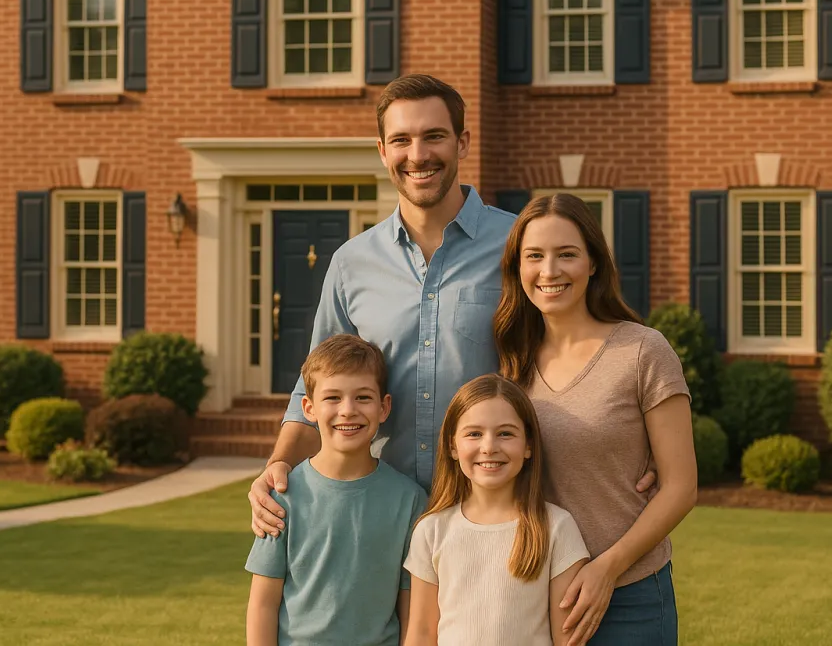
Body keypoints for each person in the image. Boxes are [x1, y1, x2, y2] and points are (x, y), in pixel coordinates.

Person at [247, 74, 658, 538]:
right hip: (387, 518)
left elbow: (585, 344)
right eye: (401, 140)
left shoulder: (520, 246)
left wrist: (640, 441)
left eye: (434, 137)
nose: (418, 155)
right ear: (382, 150)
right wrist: (277, 465)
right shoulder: (350, 264)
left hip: (501, 516)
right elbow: (315, 392)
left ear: (462, 143)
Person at [494, 193, 698, 646]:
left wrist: (607, 568)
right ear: (517, 268)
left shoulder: (643, 352)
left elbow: (681, 486)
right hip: (531, 591)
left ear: (593, 264)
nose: (550, 271)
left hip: (628, 593)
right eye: (535, 256)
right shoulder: (510, 363)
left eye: (567, 254)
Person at [245, 334, 427, 646]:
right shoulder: (283, 495)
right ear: (308, 408)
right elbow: (263, 604)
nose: (348, 410)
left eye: (363, 398)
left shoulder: (410, 500)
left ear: (384, 408)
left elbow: (410, 609)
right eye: (332, 398)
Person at [403, 374, 590, 646]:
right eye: (474, 434)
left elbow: (568, 640)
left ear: (528, 446)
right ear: (453, 446)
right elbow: (421, 634)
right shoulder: (431, 531)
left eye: (505, 433)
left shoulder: (556, 527)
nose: (489, 447)